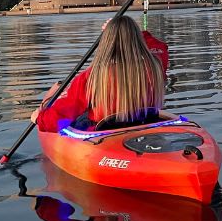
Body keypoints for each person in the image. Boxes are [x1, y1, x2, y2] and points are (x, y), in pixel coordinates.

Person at [31, 15, 166, 133]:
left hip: (104, 133)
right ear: (138, 39)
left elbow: (61, 117)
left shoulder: (92, 76)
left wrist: (40, 119)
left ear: (107, 41)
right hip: (145, 125)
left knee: (76, 116)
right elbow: (159, 47)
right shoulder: (156, 65)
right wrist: (128, 32)